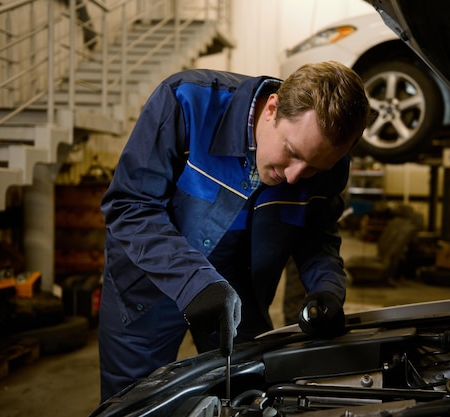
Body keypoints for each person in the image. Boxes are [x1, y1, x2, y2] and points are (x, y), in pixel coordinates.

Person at [97, 61, 369, 402]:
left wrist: (327, 288)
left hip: (239, 298)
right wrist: (193, 283)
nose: (294, 176)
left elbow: (317, 238)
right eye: (291, 153)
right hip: (148, 286)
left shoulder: (330, 161)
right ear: (272, 109)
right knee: (134, 403)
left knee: (246, 398)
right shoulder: (187, 102)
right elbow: (128, 206)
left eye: (314, 168)